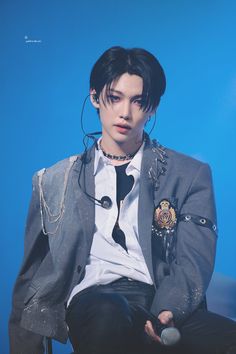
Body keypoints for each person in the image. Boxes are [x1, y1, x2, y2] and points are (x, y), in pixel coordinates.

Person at [9, 46, 236, 354]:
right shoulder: (53, 180)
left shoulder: (189, 175)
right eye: (114, 98)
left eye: (138, 101)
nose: (125, 113)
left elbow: (193, 262)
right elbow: (31, 280)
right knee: (108, 313)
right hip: (95, 302)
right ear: (94, 97)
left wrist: (166, 313)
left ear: (152, 107)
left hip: (159, 303)